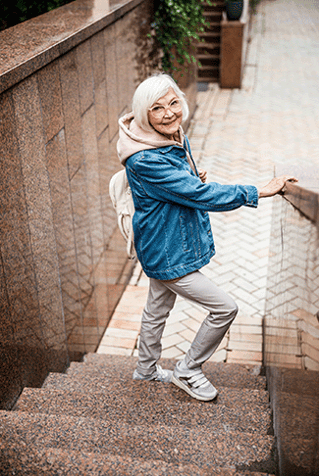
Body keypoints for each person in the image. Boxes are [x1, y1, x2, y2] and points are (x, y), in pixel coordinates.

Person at [116, 73, 297, 402]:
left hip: (161, 242)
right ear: (144, 115)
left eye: (173, 103)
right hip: (167, 252)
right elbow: (200, 195)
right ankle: (187, 370)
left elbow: (181, 186)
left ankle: (145, 370)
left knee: (156, 310)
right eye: (157, 109)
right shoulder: (145, 157)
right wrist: (258, 191)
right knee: (225, 308)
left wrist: (184, 179)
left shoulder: (167, 136)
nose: (169, 113)